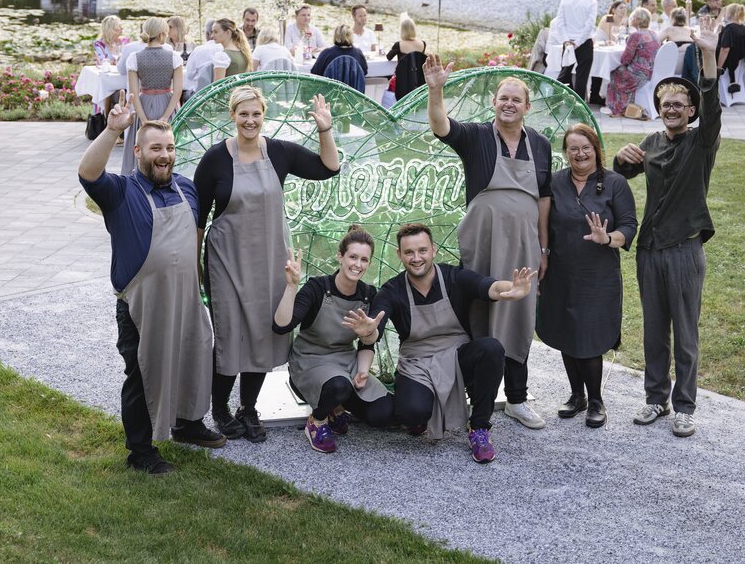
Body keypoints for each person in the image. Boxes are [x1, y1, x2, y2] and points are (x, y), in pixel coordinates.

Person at [79, 96, 222, 475]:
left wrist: (198, 284)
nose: (165, 155)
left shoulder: (186, 189)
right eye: (156, 148)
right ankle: (140, 451)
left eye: (170, 148)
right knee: (142, 371)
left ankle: (187, 423)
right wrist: (113, 129)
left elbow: (195, 235)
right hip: (141, 303)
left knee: (193, 356)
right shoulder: (120, 192)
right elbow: (88, 173)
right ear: (139, 151)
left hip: (186, 296)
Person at [195, 86, 340, 442]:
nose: (250, 121)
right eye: (243, 114)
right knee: (230, 336)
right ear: (232, 116)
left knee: (262, 334)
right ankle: (220, 409)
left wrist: (325, 129)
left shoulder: (279, 152)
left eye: (256, 114)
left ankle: (248, 408)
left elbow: (329, 167)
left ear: (263, 115)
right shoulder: (215, 159)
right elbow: (198, 220)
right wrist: (193, 268)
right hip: (226, 263)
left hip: (271, 260)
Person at [425, 56, 552, 430]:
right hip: (483, 241)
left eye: (516, 99)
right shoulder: (477, 136)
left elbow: (543, 198)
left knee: (518, 314)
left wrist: (543, 248)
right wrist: (436, 90)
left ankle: (516, 398)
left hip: (525, 244)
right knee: (479, 311)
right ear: (493, 103)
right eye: (503, 98)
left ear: (527, 107)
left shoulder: (540, 145)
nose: (509, 104)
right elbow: (440, 126)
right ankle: (474, 395)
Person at [613, 30, 720, 438]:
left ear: (691, 110)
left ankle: (685, 406)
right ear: (658, 109)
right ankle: (655, 399)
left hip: (684, 249)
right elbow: (625, 171)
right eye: (665, 104)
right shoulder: (653, 141)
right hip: (650, 249)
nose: (671, 109)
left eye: (679, 104)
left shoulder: (701, 142)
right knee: (654, 330)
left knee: (685, 333)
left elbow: (714, 109)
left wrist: (707, 55)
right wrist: (623, 160)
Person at [371, 223, 535, 463]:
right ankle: (422, 415)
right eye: (409, 252)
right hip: (417, 364)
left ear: (433, 250)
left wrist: (511, 289)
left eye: (422, 250)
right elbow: (375, 325)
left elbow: (487, 286)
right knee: (411, 413)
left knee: (491, 349)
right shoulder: (391, 290)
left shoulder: (454, 276)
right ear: (399, 255)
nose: (416, 258)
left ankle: (479, 427)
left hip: (457, 357)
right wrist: (368, 332)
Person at [538, 123, 637, 428]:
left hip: (597, 275)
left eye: (586, 148)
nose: (580, 154)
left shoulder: (615, 183)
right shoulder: (554, 183)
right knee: (568, 332)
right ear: (566, 153)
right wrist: (543, 255)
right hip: (561, 272)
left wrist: (607, 238)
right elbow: (542, 223)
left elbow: (629, 227)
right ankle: (576, 395)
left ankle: (596, 400)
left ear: (596, 150)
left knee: (589, 338)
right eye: (573, 149)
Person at [272, 227, 396, 454]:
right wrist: (292, 286)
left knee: (383, 414)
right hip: (310, 361)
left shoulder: (369, 294)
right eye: (352, 257)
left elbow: (368, 343)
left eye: (364, 259)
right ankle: (317, 421)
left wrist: (364, 370)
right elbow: (281, 326)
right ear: (340, 256)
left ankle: (336, 408)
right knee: (339, 385)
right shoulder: (317, 288)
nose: (357, 264)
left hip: (346, 362)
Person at [122, 17, 183, 175]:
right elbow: (177, 91)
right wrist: (165, 116)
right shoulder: (174, 57)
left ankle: (140, 179)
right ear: (163, 34)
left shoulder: (134, 58)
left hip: (144, 104)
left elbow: (133, 93)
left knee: (144, 145)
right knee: (170, 144)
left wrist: (143, 119)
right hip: (167, 103)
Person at [604, 8, 659, 118]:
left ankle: (618, 108)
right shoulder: (653, 34)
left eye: (632, 18)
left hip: (638, 75)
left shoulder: (636, 36)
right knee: (620, 70)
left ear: (638, 20)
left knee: (614, 73)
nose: (630, 19)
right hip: (651, 72)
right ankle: (625, 105)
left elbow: (625, 59)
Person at [556, 0, 600, 104]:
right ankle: (578, 104)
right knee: (582, 75)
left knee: (565, 73)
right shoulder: (592, 2)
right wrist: (578, 42)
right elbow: (589, 25)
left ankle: (557, 100)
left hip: (568, 41)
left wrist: (566, 40)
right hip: (584, 42)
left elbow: (560, 22)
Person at [386, 13, 427, 100]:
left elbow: (388, 57)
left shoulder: (399, 45)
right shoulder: (423, 44)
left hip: (403, 81)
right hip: (419, 80)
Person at [93, 15, 127, 115]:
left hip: (120, 76)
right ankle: (104, 119)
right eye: (118, 26)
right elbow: (103, 61)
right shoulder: (99, 44)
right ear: (111, 29)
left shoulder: (124, 41)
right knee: (105, 87)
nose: (122, 28)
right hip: (108, 77)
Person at [716, 3, 745, 94]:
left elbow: (725, 50)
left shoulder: (729, 29)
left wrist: (718, 68)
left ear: (729, 14)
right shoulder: (744, 28)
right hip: (739, 64)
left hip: (728, 64)